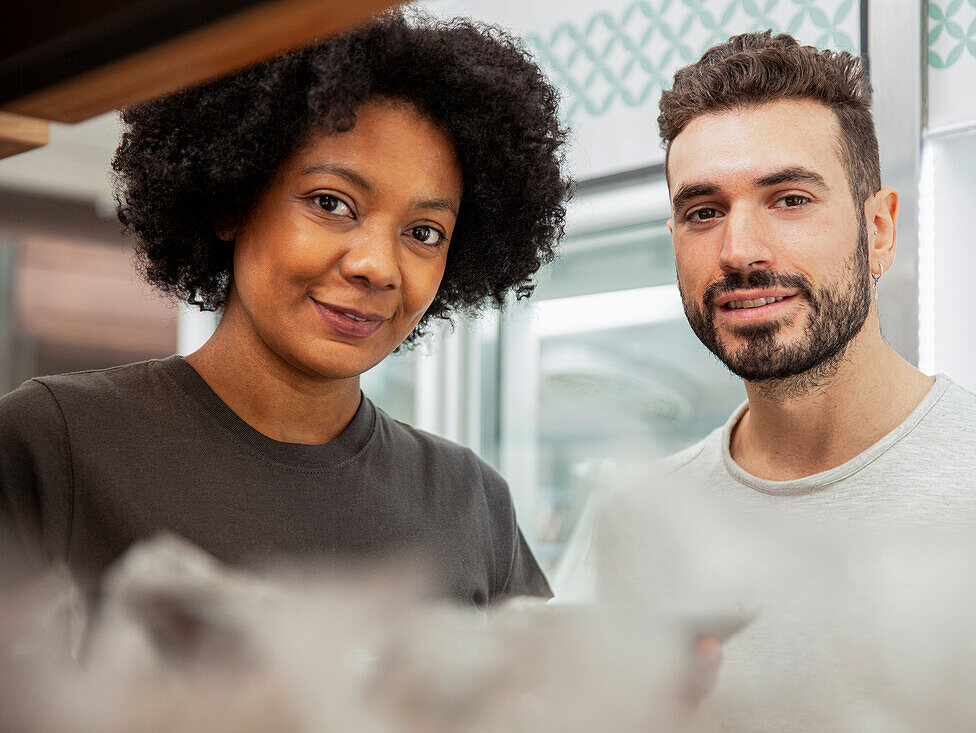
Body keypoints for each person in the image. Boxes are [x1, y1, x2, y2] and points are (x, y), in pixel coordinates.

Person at [558, 31, 976, 731]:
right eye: (703, 211)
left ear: (879, 230)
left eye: (788, 199)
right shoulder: (634, 523)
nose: (740, 251)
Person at [0, 13, 571, 608]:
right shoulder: (51, 445)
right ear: (232, 201)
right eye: (333, 203)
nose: (377, 265)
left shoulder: (471, 500)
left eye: (425, 232)